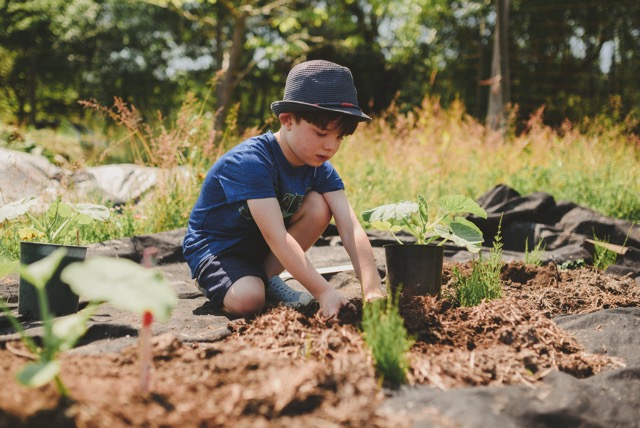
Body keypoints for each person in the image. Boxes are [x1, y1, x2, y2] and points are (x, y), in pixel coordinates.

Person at [182, 59, 384, 318]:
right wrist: (323, 292)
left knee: (320, 206)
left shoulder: (319, 168)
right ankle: (230, 283)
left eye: (339, 137)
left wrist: (372, 290)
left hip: (263, 250)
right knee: (249, 300)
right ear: (288, 120)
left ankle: (265, 276)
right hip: (220, 249)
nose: (331, 147)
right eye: (321, 133)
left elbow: (350, 226)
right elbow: (277, 235)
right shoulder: (252, 161)